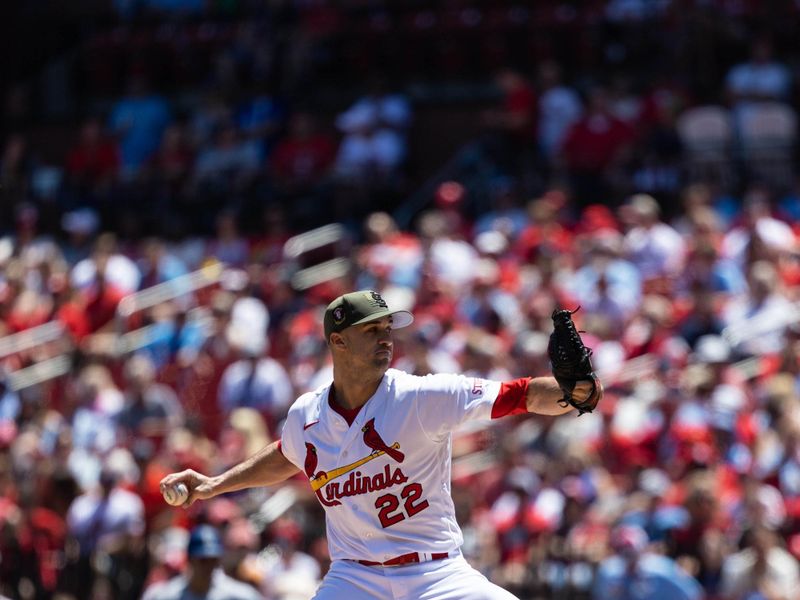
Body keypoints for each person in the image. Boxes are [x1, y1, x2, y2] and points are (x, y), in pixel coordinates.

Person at [161, 290, 601, 599]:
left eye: (388, 327)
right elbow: (285, 456)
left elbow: (519, 394)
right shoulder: (307, 416)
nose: (386, 337)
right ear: (338, 341)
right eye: (371, 330)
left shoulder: (420, 397)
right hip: (354, 579)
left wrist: (574, 394)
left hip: (436, 573)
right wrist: (214, 484)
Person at [142, 524, 263, 600]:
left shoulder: (241, 595)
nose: (209, 566)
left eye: (213, 560)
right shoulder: (163, 595)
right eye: (203, 560)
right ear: (190, 559)